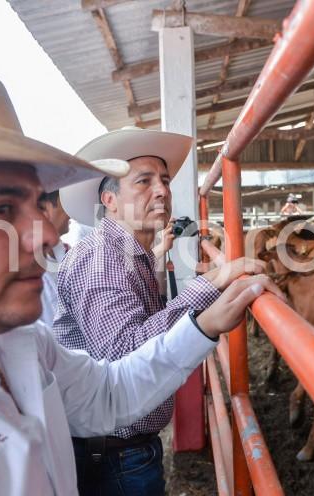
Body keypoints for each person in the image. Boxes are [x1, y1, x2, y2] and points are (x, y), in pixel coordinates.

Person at [0, 69, 283, 495]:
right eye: (1, 208)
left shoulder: (19, 341)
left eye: (34, 205)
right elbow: (119, 355)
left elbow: (108, 392)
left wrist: (205, 324)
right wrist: (203, 297)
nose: (47, 234)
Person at [56, 127, 265, 495]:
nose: (162, 191)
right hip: (114, 458)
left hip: (120, 453)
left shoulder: (129, 254)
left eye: (164, 181)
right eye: (143, 182)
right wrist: (211, 285)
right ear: (111, 200)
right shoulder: (102, 257)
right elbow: (124, 357)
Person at [38, 190, 71, 327]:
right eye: (65, 203)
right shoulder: (31, 268)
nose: (70, 212)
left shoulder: (69, 254)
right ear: (46, 208)